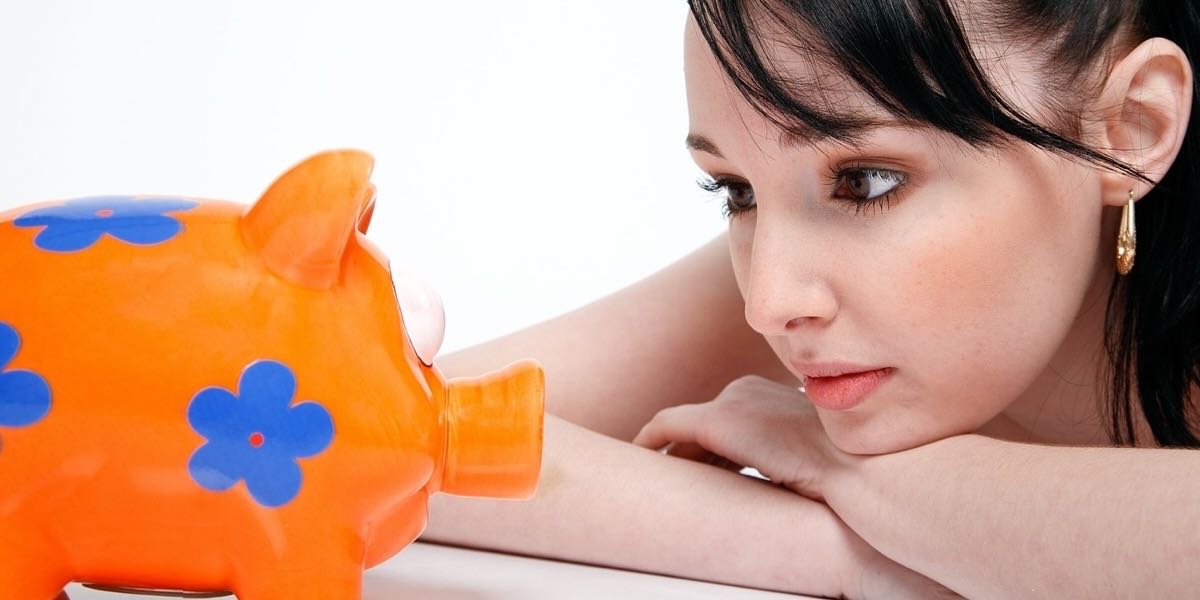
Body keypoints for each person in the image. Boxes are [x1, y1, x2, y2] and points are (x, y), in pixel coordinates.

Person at [421, 0, 1199, 598]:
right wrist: (840, 548)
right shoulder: (803, 281)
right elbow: (357, 434)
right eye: (736, 192)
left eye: (865, 182)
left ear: (1129, 127)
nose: (769, 301)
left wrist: (848, 473)